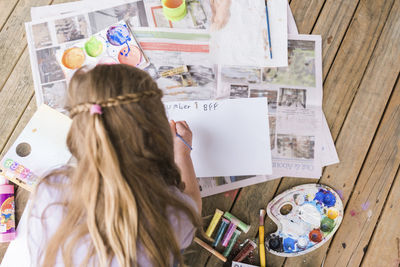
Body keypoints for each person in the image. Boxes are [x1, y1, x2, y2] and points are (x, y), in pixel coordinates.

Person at [24, 64, 202, 266]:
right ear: (158, 134)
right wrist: (182, 152)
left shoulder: (51, 188)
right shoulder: (173, 216)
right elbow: (193, 208)